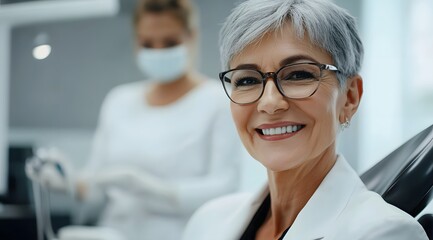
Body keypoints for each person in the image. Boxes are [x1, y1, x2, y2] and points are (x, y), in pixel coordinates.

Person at [182, 0, 429, 239]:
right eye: (247, 80)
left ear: (350, 97)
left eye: (299, 75)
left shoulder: (385, 233)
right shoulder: (207, 221)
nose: (269, 102)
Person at [26, 0, 243, 239]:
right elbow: (97, 188)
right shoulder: (118, 101)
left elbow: (225, 190)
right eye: (147, 44)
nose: (158, 51)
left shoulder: (219, 100)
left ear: (192, 36)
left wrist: (151, 189)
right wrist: (69, 182)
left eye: (170, 42)